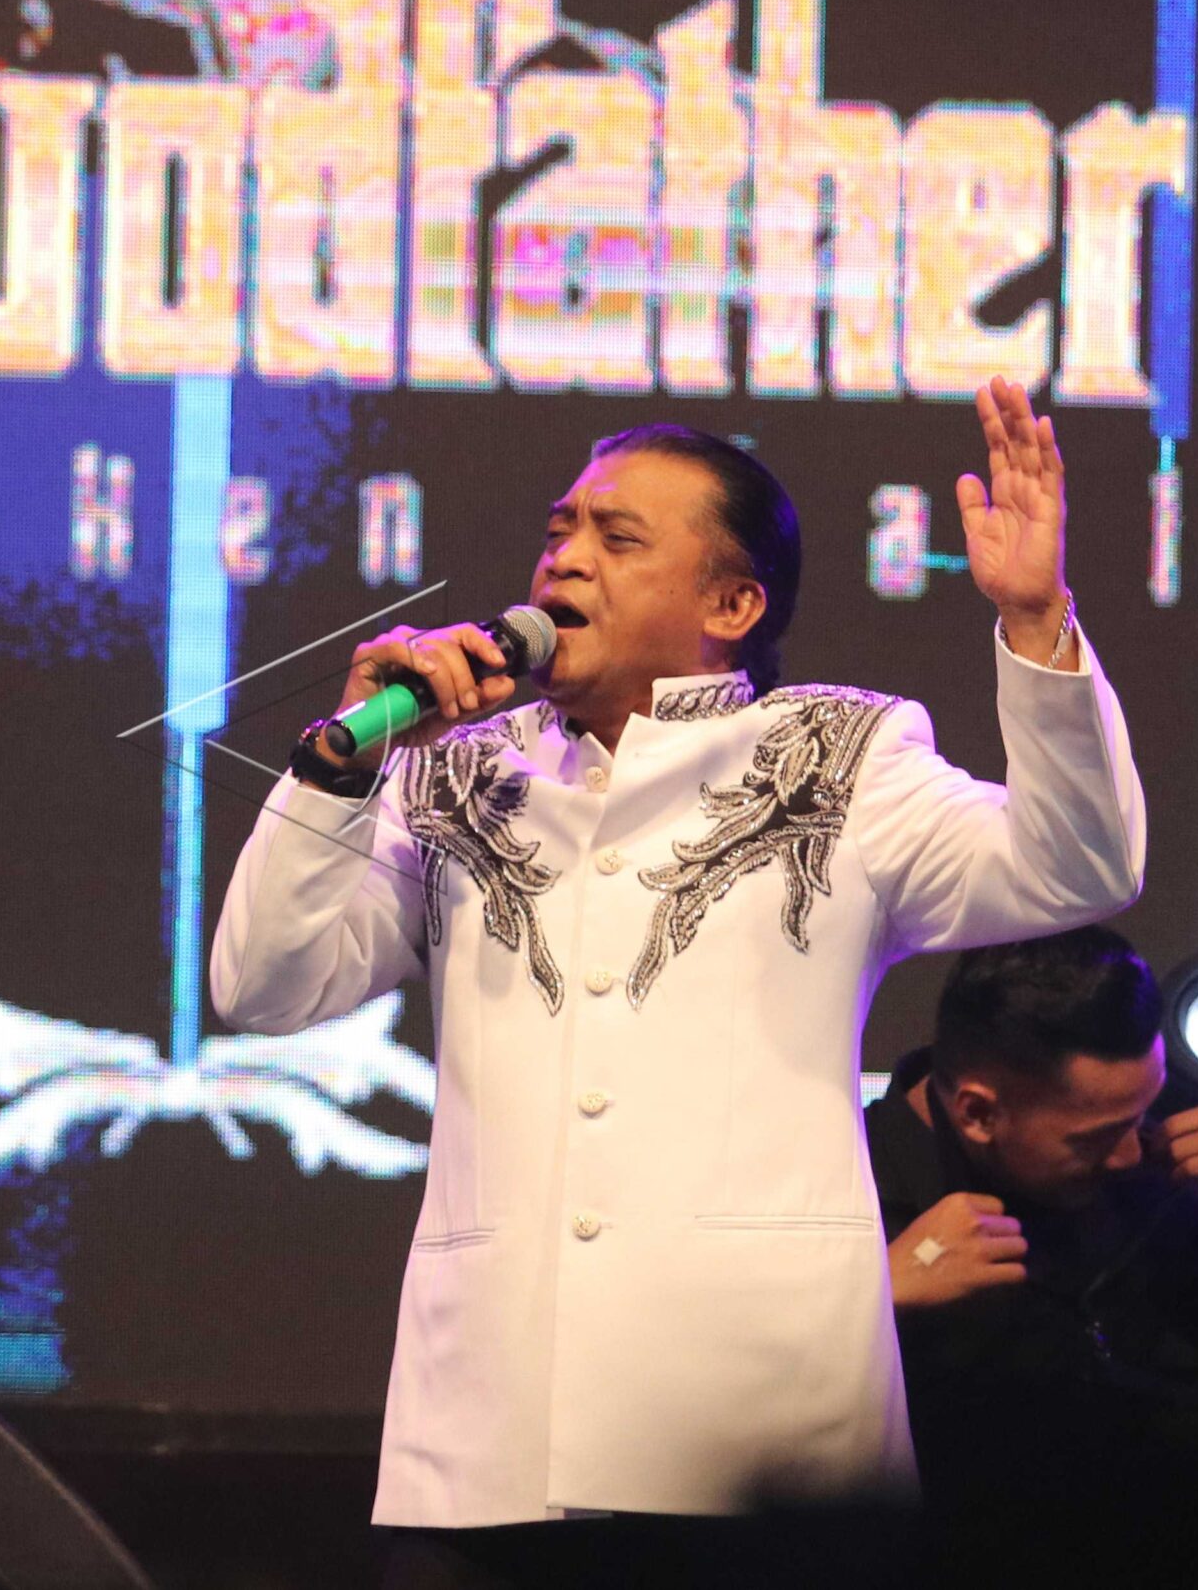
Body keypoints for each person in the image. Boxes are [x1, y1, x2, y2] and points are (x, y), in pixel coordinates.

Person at [209, 379, 1146, 1573]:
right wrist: (342, 768)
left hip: (754, 1443)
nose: (565, 559)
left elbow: (1078, 865)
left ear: (731, 603)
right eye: (560, 530)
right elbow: (264, 989)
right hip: (487, 1442)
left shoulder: (839, 759)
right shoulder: (453, 774)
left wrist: (1034, 618)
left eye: (618, 538)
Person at [867, 926, 1198, 1508]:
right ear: (978, 1115)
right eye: (1097, 1135)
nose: (1132, 1152)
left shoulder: (1143, 1179)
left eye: (1142, 1112)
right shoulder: (843, 1201)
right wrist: (866, 1305)